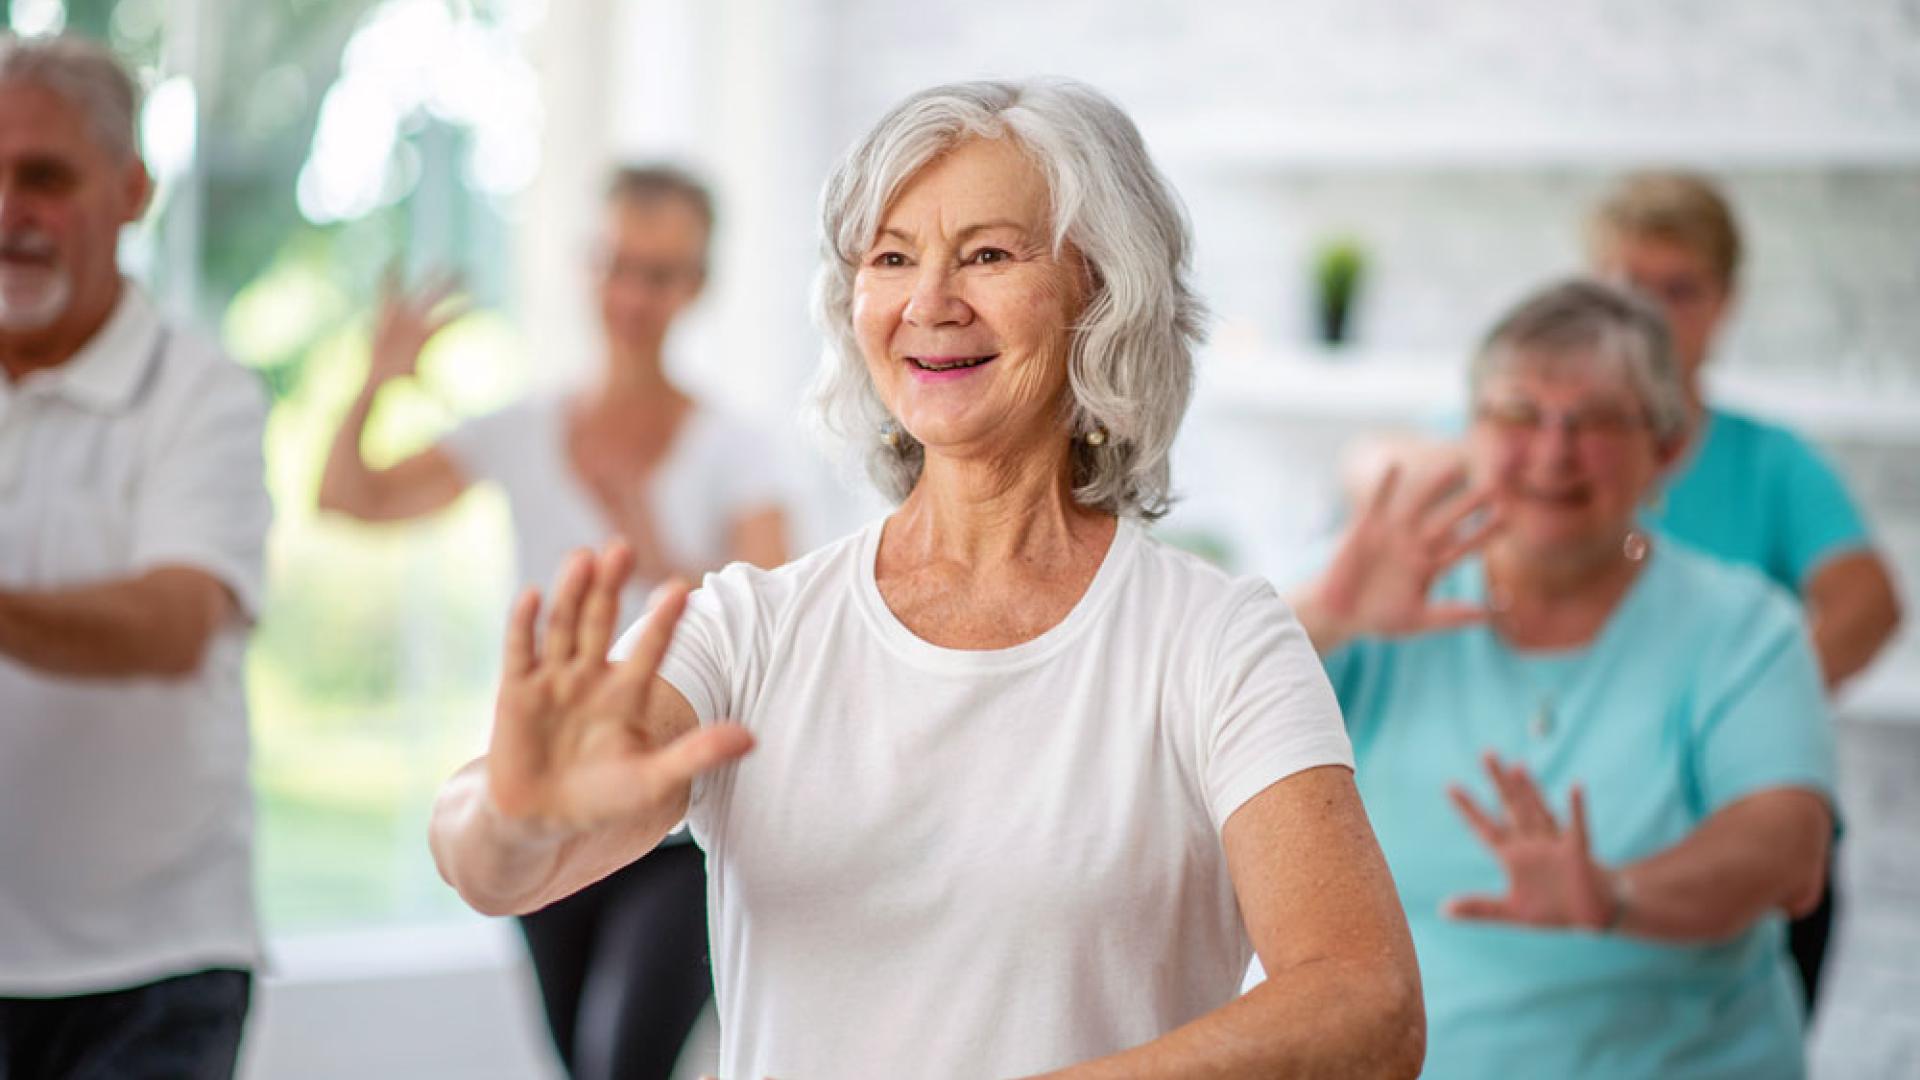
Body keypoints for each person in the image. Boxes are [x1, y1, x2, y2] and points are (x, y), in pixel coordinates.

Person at [429, 78, 1425, 1080]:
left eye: (989, 253)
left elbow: (1367, 1005)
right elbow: (488, 855)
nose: (929, 302)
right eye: (892, 258)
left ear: (1102, 288)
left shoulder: (1220, 640)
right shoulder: (751, 625)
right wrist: (514, 817)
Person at [1292, 279, 1836, 1078]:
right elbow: (1177, 725)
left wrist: (1612, 896)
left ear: (1668, 448)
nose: (1553, 451)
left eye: (1600, 419)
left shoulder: (1743, 627)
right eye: (1519, 414)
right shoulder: (1371, 591)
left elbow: (1786, 845)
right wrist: (1326, 616)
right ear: (1467, 432)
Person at [319, 167, 787, 1079]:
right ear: (586, 268)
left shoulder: (737, 447)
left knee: (622, 1063)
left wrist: (654, 543)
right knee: (580, 1062)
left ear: (696, 287)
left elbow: (780, 619)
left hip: (676, 818)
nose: (632, 294)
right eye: (616, 264)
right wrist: (375, 379)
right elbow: (347, 497)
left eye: (660, 272)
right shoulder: (520, 430)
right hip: (545, 792)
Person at [0, 35, 271, 1078]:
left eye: (45, 177)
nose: (9, 211)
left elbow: (174, 625)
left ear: (131, 190)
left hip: (155, 973)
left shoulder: (202, 394)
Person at [1587, 171, 1901, 1009]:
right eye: (1626, 287)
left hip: (1747, 845)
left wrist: (1754, 699)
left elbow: (1868, 602)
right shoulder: (1537, 452)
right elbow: (1392, 466)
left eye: (1679, 290)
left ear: (1724, 303)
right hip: (1588, 848)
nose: (1649, 314)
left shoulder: (1772, 462)